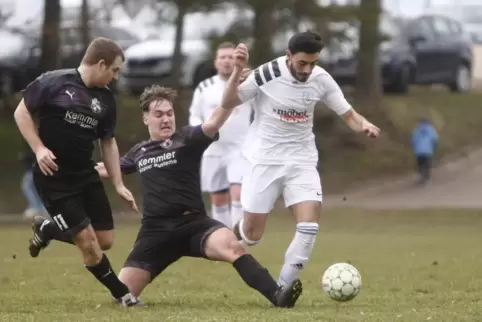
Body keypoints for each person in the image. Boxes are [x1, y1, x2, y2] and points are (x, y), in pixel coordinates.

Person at [94, 44, 302, 308]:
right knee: (121, 295)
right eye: (158, 114)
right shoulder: (139, 151)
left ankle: (278, 296)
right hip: (155, 232)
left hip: (194, 225)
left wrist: (236, 73)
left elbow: (218, 115)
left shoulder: (188, 138)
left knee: (233, 247)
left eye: (169, 113)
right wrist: (73, 170)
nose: (166, 119)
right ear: (146, 118)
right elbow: (106, 169)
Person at [220, 32, 381, 292]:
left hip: (301, 161)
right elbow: (228, 101)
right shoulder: (267, 73)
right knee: (252, 236)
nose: (307, 69)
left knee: (308, 227)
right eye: (302, 63)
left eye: (313, 63)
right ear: (289, 56)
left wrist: (364, 125)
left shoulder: (321, 80)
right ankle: (237, 229)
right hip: (264, 160)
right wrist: (237, 70)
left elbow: (349, 115)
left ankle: (282, 289)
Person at [13, 37, 140, 306]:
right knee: (88, 243)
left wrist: (118, 184)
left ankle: (48, 229)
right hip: (54, 178)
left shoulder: (105, 99)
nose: (116, 77)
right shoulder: (54, 81)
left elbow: (108, 141)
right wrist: (38, 149)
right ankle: (124, 295)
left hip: (85, 175)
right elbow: (21, 113)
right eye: (115, 70)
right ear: (101, 63)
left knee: (104, 240)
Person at [188, 42, 252, 227]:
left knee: (238, 194)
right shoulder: (204, 87)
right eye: (222, 57)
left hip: (240, 149)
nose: (226, 61)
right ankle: (222, 238)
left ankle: (238, 242)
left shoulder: (247, 84)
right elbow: (195, 115)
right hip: (213, 150)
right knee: (218, 199)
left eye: (230, 57)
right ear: (216, 62)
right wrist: (199, 135)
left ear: (237, 60)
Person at [19, 140, 46, 219]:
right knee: (32, 187)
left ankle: (37, 207)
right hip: (34, 169)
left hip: (35, 169)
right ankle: (38, 206)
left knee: (27, 186)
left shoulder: (38, 142)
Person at [411, 117, 438, 184]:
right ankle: (426, 179)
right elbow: (435, 139)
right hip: (428, 151)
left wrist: (415, 147)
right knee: (427, 165)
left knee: (420, 164)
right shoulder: (431, 130)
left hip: (418, 152)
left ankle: (421, 177)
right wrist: (434, 147)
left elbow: (413, 140)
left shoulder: (416, 130)